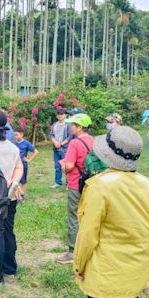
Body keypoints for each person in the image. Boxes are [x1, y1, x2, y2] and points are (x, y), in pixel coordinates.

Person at [74, 126, 149, 298]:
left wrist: (79, 265)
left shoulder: (98, 186)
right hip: (134, 268)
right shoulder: (148, 185)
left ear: (107, 154)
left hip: (103, 268)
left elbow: (88, 234)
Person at [0, 110, 24, 284]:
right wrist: (13, 183)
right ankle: (11, 267)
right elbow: (20, 168)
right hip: (11, 196)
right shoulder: (13, 147)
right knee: (8, 230)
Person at [56, 113, 94, 264]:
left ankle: (72, 251)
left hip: (75, 183)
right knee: (88, 215)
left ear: (79, 127)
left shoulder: (74, 143)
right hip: (90, 182)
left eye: (72, 125)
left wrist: (63, 167)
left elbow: (70, 165)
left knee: (74, 216)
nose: (70, 126)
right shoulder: (92, 140)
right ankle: (88, 247)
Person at [50, 108, 73, 189]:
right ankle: (57, 182)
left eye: (62, 114)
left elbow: (70, 136)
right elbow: (51, 135)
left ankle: (68, 183)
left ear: (65, 115)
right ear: (56, 116)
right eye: (58, 114)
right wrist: (55, 142)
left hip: (65, 149)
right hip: (56, 149)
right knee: (57, 166)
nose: (60, 115)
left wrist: (61, 144)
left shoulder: (69, 124)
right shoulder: (54, 124)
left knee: (67, 166)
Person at [13, 126, 38, 193]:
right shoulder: (13, 143)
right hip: (14, 165)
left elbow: (35, 152)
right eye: (14, 135)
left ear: (21, 134)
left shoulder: (26, 143)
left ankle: (22, 195)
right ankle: (15, 194)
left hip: (23, 165)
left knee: (23, 181)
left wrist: (29, 160)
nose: (14, 136)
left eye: (16, 135)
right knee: (15, 181)